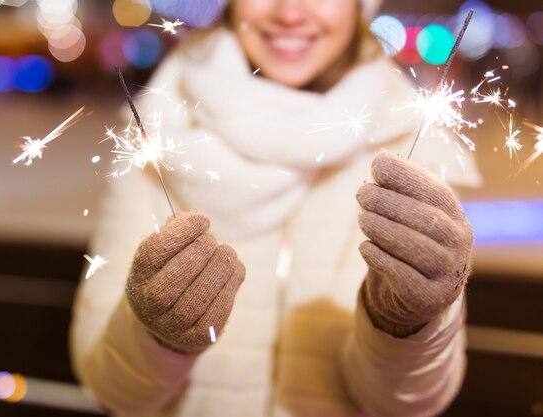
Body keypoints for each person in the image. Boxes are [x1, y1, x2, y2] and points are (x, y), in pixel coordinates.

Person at [70, 0, 481, 416]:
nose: (289, 13)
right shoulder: (160, 126)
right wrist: (158, 336)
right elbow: (111, 388)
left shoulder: (413, 141)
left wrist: (406, 322)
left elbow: (412, 406)